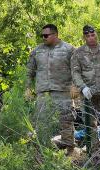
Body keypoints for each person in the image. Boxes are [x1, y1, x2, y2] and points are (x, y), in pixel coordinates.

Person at [25, 24, 75, 154]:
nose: (43, 38)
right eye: (42, 35)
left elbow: (76, 70)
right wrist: (27, 88)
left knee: (66, 120)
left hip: (63, 92)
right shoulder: (37, 51)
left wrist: (76, 87)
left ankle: (70, 150)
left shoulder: (69, 49)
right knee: (42, 121)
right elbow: (29, 71)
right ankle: (44, 151)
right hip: (43, 93)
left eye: (46, 35)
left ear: (55, 34)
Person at [71, 25, 100, 151]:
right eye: (88, 36)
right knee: (90, 122)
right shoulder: (78, 53)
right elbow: (75, 72)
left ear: (96, 34)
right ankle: (94, 148)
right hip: (87, 92)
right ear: (84, 37)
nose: (91, 38)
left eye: (93, 35)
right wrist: (82, 87)